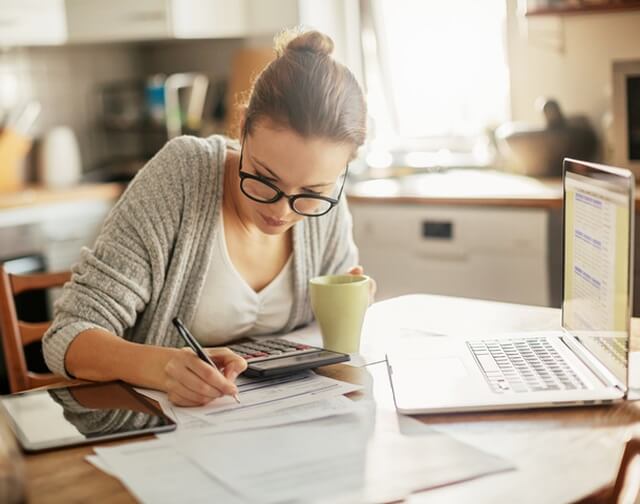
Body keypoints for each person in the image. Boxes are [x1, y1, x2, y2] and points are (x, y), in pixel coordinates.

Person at [43, 28, 371, 407]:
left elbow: (329, 331)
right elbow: (66, 336)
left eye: (312, 192)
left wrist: (353, 300)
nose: (282, 210)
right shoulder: (183, 176)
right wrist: (160, 366)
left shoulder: (327, 201)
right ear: (243, 126)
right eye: (265, 179)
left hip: (279, 423)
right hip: (161, 432)